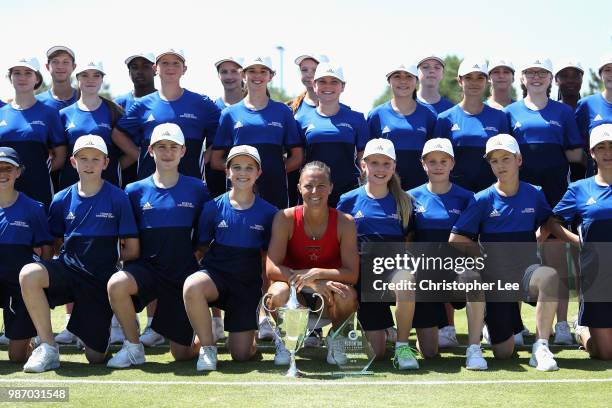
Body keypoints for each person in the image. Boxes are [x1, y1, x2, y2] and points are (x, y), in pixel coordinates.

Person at [19, 135, 139, 372]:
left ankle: (101, 329)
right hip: (68, 273)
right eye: (83, 158)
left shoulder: (119, 198)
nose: (89, 164)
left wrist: (107, 264)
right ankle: (48, 347)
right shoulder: (61, 199)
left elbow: (132, 250)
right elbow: (54, 243)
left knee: (95, 357)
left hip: (99, 281)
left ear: (106, 163)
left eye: (96, 159)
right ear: (73, 162)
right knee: (29, 274)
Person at [449, 133, 560, 371]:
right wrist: (479, 258)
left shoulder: (535, 192)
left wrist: (537, 240)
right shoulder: (482, 199)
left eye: (506, 158)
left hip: (526, 274)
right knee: (503, 352)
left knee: (549, 276)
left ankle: (540, 347)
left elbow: (548, 222)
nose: (500, 165)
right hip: (495, 279)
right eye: (494, 160)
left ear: (519, 160)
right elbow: (456, 238)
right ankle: (475, 347)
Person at [105, 123, 209, 368]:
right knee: (117, 284)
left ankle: (206, 342)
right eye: (161, 147)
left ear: (183, 151)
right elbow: (128, 238)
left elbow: (203, 237)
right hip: (148, 271)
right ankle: (133, 347)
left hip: (182, 276)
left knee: (181, 355)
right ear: (150, 151)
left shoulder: (197, 188)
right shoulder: (133, 190)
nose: (167, 152)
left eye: (173, 147)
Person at [505, 58, 583, 345]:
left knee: (555, 261)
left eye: (542, 73)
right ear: (522, 79)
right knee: (513, 259)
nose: (536, 77)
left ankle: (561, 325)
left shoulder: (563, 112)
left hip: (555, 197)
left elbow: (575, 157)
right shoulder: (510, 112)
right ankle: (513, 325)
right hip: (518, 196)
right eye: (530, 72)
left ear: (551, 79)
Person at [183, 145, 277, 371]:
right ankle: (208, 347)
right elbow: (202, 249)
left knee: (241, 355)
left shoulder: (269, 212)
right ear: (227, 171)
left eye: (249, 168)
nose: (242, 173)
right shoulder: (212, 207)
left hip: (246, 285)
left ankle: (246, 336)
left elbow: (267, 259)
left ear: (258, 173)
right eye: (236, 167)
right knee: (192, 286)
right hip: (217, 278)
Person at [265, 161, 358, 366]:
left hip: (329, 297)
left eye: (321, 186)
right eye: (308, 186)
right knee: (277, 291)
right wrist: (310, 282)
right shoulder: (285, 217)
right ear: (299, 187)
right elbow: (271, 268)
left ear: (331, 187)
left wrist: (316, 273)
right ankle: (287, 338)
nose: (314, 191)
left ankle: (336, 339)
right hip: (294, 295)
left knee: (347, 294)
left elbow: (352, 274)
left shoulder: (346, 222)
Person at [337, 138, 418, 370]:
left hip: (393, 271)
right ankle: (383, 330)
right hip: (363, 277)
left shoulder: (405, 201)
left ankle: (402, 346)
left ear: (394, 167)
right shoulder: (348, 200)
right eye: (374, 163)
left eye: (385, 164)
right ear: (363, 165)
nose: (380, 169)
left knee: (406, 282)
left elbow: (409, 239)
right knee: (377, 353)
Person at [408, 138, 483, 366]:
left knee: (473, 281)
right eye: (432, 161)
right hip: (425, 277)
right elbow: (408, 240)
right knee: (429, 353)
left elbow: (472, 239)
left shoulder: (467, 197)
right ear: (423, 164)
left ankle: (474, 348)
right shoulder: (410, 197)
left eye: (443, 161)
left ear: (452, 163)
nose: (438, 166)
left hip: (456, 274)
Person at [548, 123, 612, 360]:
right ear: (592, 153)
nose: (607, 152)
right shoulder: (579, 189)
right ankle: (582, 331)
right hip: (597, 276)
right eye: (601, 147)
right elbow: (551, 222)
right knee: (605, 353)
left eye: (611, 146)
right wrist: (578, 240)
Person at [113, 49, 220, 181]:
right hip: (151, 185)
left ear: (184, 69)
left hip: (191, 184)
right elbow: (117, 134)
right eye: (164, 63)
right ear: (155, 68)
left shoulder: (201, 103)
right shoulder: (142, 104)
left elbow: (224, 130)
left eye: (176, 63)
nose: (170, 67)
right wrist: (141, 156)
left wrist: (203, 159)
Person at [211, 56, 303, 210]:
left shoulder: (283, 112)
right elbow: (216, 161)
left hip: (275, 192)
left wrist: (273, 171)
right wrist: (242, 175)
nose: (257, 76)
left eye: (263, 71)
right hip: (239, 196)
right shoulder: (229, 114)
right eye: (252, 71)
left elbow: (297, 157)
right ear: (243, 75)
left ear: (271, 76)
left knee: (275, 233)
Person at [112, 52, 158, 345]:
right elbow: (117, 137)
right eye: (133, 67)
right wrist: (135, 160)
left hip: (167, 189)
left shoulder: (163, 99)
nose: (139, 71)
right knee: (126, 253)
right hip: (131, 191)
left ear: (154, 70)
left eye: (144, 66)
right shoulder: (119, 104)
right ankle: (120, 320)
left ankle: (155, 322)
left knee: (154, 253)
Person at [0, 147, 53, 362]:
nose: (3, 173)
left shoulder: (33, 208)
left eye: (8, 168)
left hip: (17, 288)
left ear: (18, 172)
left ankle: (27, 341)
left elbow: (47, 251)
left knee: (17, 357)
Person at [296, 62, 369, 207]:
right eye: (322, 81)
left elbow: (363, 160)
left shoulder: (357, 119)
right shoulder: (300, 120)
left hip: (348, 193)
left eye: (334, 82)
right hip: (313, 193)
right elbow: (298, 158)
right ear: (314, 85)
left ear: (343, 86)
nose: (327, 86)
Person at [434, 59, 510, 193]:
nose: (474, 83)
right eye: (469, 78)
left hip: (491, 194)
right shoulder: (444, 118)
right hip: (455, 194)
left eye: (480, 78)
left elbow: (507, 159)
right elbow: (436, 160)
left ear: (487, 82)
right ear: (459, 81)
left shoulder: (499, 117)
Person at [0, 57, 66, 208]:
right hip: (3, 189)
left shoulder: (49, 113)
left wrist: (38, 173)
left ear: (37, 78)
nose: (22, 77)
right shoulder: (1, 113)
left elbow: (61, 156)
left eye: (28, 73)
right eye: (17, 73)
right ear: (10, 78)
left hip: (38, 190)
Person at [367, 63, 436, 191]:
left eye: (409, 77)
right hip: (385, 189)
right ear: (389, 81)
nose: (403, 81)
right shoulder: (376, 115)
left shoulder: (429, 115)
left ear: (416, 81)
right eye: (397, 76)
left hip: (420, 189)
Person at [58, 61, 125, 189]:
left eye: (96, 75)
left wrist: (112, 166)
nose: (91, 80)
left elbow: (128, 152)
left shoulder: (115, 112)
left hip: (108, 184)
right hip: (71, 185)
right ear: (77, 78)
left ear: (102, 80)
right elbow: (59, 154)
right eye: (85, 75)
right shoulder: (64, 114)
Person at [576, 55, 612, 177]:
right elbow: (579, 143)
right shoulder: (586, 104)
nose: (611, 74)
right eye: (607, 70)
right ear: (600, 74)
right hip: (596, 177)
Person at [36, 46, 77, 111]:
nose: (60, 67)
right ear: (47, 67)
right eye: (55, 62)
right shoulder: (36, 103)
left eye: (65, 62)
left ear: (73, 67)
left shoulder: (85, 99)